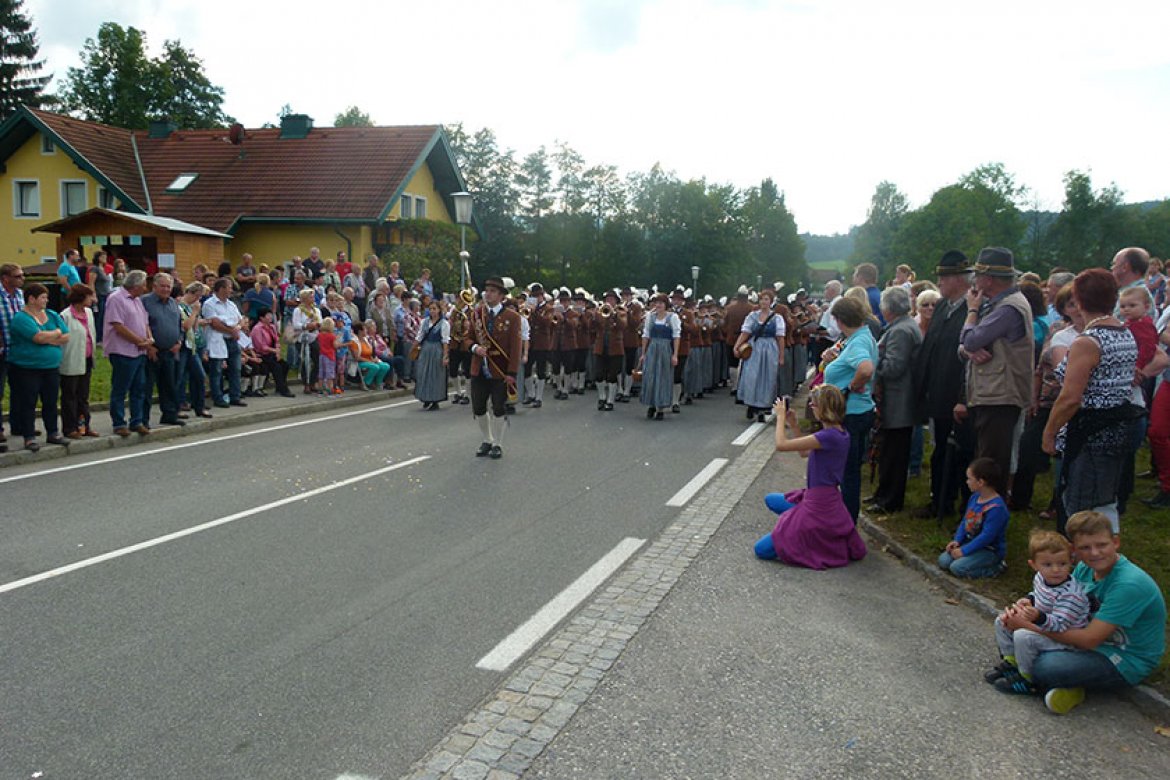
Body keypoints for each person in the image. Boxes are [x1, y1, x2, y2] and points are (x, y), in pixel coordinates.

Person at [999, 511, 1166, 714]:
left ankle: (1068, 685)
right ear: (1074, 551)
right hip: (1085, 639)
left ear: (1116, 542)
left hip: (1123, 657)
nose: (1094, 553)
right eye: (1085, 547)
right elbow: (1058, 604)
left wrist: (1027, 625)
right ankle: (1061, 682)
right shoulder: (1084, 568)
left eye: (1101, 545)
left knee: (1047, 666)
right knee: (1009, 626)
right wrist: (1026, 607)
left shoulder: (1129, 584)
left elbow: (1089, 640)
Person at [1042, 269, 1139, 534]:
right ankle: (1104, 554)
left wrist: (1049, 433)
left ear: (1080, 301)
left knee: (1081, 506)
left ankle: (1084, 564)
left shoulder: (1089, 340)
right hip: (1117, 429)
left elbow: (1071, 397)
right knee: (1105, 500)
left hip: (1091, 432)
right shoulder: (1123, 332)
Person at [753, 385, 867, 569]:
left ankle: (802, 531)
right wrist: (795, 425)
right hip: (821, 498)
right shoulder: (839, 433)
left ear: (824, 408)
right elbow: (804, 452)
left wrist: (780, 417)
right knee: (771, 500)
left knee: (762, 550)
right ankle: (796, 521)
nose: (811, 407)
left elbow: (781, 444)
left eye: (813, 404)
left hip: (819, 507)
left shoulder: (828, 437)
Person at [959, 248, 1034, 494]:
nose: (974, 281)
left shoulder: (1008, 308)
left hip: (1001, 395)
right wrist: (969, 349)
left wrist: (971, 310)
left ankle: (990, 516)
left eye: (977, 275)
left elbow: (970, 339)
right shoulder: (998, 305)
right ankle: (981, 515)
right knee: (986, 456)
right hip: (992, 393)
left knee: (991, 462)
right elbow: (967, 347)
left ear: (988, 279)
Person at [988, 530, 1091, 695]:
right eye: (1048, 565)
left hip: (1065, 640)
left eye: (1062, 564)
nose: (1056, 570)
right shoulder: (1040, 578)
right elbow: (1038, 594)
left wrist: (1035, 617)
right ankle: (1011, 662)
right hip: (1044, 624)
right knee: (1002, 620)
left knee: (1023, 636)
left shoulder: (1071, 595)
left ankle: (1029, 678)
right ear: (1034, 565)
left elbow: (1059, 625)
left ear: (1070, 561)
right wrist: (1028, 600)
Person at [821, 296, 878, 522]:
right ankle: (844, 519)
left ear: (839, 320)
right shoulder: (859, 337)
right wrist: (833, 358)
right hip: (857, 411)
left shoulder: (858, 342)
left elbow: (865, 368)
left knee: (848, 473)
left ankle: (846, 523)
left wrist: (852, 386)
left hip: (851, 413)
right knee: (848, 471)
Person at [866, 287, 922, 514]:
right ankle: (883, 493)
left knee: (895, 454)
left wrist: (872, 362)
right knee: (889, 451)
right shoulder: (902, 326)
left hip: (899, 401)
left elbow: (894, 367)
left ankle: (890, 499)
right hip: (897, 400)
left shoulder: (901, 331)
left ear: (888, 308)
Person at [6, 282, 68, 451]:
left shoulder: (52, 314)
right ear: (31, 299)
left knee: (50, 401)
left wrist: (51, 337)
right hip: (27, 368)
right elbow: (38, 337)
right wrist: (55, 334)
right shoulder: (21, 318)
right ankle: (29, 436)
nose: (46, 301)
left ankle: (53, 432)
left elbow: (66, 335)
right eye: (43, 297)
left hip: (51, 367)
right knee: (28, 402)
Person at [469, 277, 522, 458]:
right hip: (479, 367)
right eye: (487, 290)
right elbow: (468, 338)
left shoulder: (512, 317)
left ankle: (498, 443)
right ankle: (487, 439)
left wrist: (512, 372)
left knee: (499, 407)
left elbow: (516, 347)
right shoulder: (477, 314)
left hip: (500, 369)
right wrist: (475, 348)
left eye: (492, 291)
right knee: (478, 407)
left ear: (501, 296)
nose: (488, 294)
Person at [938, 457, 1008, 578]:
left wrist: (964, 551)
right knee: (943, 561)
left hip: (989, 550)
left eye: (969, 479)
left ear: (981, 482)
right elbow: (965, 521)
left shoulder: (996, 508)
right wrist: (957, 540)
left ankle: (996, 567)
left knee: (957, 568)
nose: (967, 482)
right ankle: (969, 558)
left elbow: (987, 537)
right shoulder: (975, 498)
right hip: (969, 542)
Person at [103, 270, 153, 436]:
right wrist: (139, 341)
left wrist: (149, 338)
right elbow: (118, 325)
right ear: (136, 285)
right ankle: (118, 423)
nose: (146, 288)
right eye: (144, 284)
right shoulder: (116, 298)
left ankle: (136, 421)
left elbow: (144, 322)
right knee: (121, 388)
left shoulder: (137, 300)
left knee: (139, 387)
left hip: (139, 352)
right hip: (122, 351)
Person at [733, 287, 785, 423]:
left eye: (766, 299)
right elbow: (745, 333)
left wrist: (781, 356)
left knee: (767, 377)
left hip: (770, 349)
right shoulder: (752, 316)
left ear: (771, 302)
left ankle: (763, 408)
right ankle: (751, 404)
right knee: (751, 376)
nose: (764, 302)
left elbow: (780, 338)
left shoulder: (777, 318)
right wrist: (737, 346)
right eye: (762, 299)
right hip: (754, 348)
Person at [141, 272, 185, 427]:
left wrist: (179, 341)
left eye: (169, 286)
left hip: (170, 351)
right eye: (163, 286)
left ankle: (169, 414)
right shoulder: (144, 302)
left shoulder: (173, 303)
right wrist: (149, 346)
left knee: (169, 386)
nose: (166, 289)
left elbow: (179, 325)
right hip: (152, 351)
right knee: (146, 387)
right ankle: (142, 419)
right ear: (154, 286)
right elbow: (141, 325)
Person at [59, 283, 99, 438]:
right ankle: (70, 428)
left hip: (87, 359)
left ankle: (83, 426)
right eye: (90, 296)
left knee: (83, 396)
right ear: (81, 297)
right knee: (70, 396)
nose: (92, 299)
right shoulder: (65, 315)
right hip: (71, 360)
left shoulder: (88, 312)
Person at [203, 277, 247, 408]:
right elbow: (215, 323)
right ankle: (218, 397)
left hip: (232, 340)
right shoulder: (209, 304)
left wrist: (236, 329)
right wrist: (230, 330)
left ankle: (235, 396)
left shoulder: (231, 304)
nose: (231, 290)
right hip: (218, 340)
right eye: (229, 287)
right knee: (216, 371)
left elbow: (241, 320)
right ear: (221, 289)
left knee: (236, 369)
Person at [638, 293, 680, 421]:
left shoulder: (672, 317)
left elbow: (676, 336)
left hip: (665, 349)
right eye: (656, 303)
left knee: (663, 377)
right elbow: (646, 335)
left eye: (661, 303)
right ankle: (651, 404)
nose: (658, 305)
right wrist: (643, 353)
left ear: (666, 305)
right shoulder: (651, 317)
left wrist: (675, 355)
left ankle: (660, 407)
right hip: (653, 348)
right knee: (650, 376)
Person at [1, 263, 28, 452]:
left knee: (21, 390)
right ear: (5, 278)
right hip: (2, 351)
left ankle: (19, 424)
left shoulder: (20, 295)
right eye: (18, 276)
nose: (22, 279)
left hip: (19, 350)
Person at [177, 282, 211, 419]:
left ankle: (199, 406)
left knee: (199, 375)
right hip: (182, 345)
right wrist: (195, 312)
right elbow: (186, 326)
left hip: (192, 345)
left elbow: (194, 328)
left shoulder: (191, 308)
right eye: (197, 296)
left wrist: (196, 314)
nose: (197, 300)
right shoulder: (180, 306)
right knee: (179, 377)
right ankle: (178, 405)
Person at [250, 308, 295, 397]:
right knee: (276, 367)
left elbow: (277, 340)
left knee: (284, 365)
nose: (270, 317)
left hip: (272, 354)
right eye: (267, 315)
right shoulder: (257, 329)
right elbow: (260, 346)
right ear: (261, 318)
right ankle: (284, 390)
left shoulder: (272, 327)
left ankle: (279, 386)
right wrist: (273, 350)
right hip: (262, 355)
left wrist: (277, 351)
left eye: (270, 315)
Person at [413, 299, 450, 409]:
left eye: (435, 309)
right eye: (431, 309)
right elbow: (419, 336)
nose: (432, 311)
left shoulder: (444, 324)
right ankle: (425, 397)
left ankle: (435, 400)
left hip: (437, 349)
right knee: (423, 373)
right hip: (426, 349)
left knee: (435, 374)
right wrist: (413, 348)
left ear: (439, 310)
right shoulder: (424, 322)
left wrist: (445, 355)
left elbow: (445, 341)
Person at [292, 288, 322, 393]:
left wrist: (317, 325)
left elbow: (320, 322)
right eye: (311, 296)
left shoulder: (316, 310)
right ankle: (306, 384)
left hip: (314, 337)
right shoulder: (298, 310)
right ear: (304, 298)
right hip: (302, 338)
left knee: (317, 360)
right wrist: (306, 325)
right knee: (305, 361)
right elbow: (296, 325)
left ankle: (314, 381)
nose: (313, 298)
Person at [352, 320, 392, 390]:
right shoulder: (354, 341)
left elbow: (371, 352)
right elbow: (357, 357)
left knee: (385, 366)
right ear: (360, 331)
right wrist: (370, 361)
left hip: (369, 360)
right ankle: (366, 383)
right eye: (364, 329)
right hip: (360, 362)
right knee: (375, 367)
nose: (366, 331)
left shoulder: (366, 339)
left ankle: (378, 383)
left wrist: (375, 359)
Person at [317, 317, 338, 396]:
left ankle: (320, 389)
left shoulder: (320, 335)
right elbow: (335, 346)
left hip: (322, 355)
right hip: (329, 356)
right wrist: (339, 343)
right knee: (329, 374)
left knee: (321, 374)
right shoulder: (332, 336)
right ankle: (329, 390)